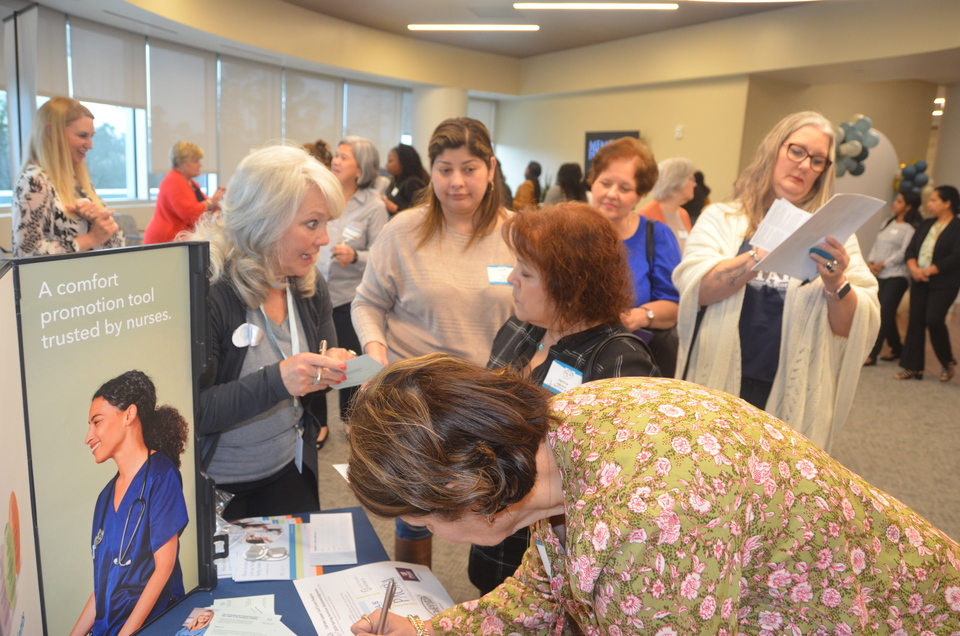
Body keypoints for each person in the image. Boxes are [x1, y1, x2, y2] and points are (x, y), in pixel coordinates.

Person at [347, 355, 960, 636]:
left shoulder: (648, 524)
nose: (424, 532)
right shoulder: (554, 438)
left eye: (421, 519)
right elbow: (547, 589)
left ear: (466, 489)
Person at [472, 201, 659, 594]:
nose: (511, 278)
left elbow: (617, 487)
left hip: (561, 555)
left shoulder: (619, 359)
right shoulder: (521, 327)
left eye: (526, 272)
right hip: (497, 524)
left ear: (570, 286)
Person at [352, 117, 515, 567]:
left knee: (495, 515)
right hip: (417, 401)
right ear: (431, 172)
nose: (456, 182)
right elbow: (367, 303)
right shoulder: (403, 230)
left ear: (491, 169)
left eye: (469, 169)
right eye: (445, 169)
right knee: (415, 515)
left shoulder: (517, 234)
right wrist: (376, 356)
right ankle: (413, 594)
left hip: (490, 402)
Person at [673, 111, 879, 452]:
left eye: (817, 160)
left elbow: (849, 328)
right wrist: (759, 254)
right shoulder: (721, 218)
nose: (804, 165)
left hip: (794, 390)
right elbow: (700, 291)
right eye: (796, 151)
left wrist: (835, 282)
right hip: (719, 379)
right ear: (774, 149)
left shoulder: (835, 235)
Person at [189, 145, 352, 520]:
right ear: (265, 221)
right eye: (312, 224)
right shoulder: (209, 293)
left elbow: (318, 371)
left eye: (326, 223)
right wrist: (279, 380)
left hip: (289, 468)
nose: (324, 239)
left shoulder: (307, 283)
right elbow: (193, 411)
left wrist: (331, 366)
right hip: (216, 486)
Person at [70, 370, 189, 636]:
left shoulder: (161, 476)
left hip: (152, 625)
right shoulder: (105, 498)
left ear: (129, 415)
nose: (88, 436)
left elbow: (164, 568)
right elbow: (105, 585)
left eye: (97, 422)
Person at [588, 137, 681, 377]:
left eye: (625, 188)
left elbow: (673, 306)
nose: (612, 194)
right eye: (605, 183)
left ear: (640, 195)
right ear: (592, 181)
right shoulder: (568, 231)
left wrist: (641, 316)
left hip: (629, 364)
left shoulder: (657, 236)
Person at [322, 136, 388, 420]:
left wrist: (355, 256)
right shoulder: (324, 195)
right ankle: (318, 426)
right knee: (316, 364)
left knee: (350, 371)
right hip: (314, 294)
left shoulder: (374, 207)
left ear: (361, 169)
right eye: (336, 155)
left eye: (343, 157)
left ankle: (350, 425)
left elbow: (381, 257)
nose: (335, 161)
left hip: (348, 298)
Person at [12, 96, 124, 256]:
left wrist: (98, 222)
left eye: (91, 136)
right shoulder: (34, 182)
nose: (90, 145)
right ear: (51, 132)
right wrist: (90, 239)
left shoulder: (79, 181)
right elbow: (26, 253)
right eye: (82, 135)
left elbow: (118, 244)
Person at [897, 185, 960, 381]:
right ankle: (913, 367)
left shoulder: (957, 227)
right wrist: (914, 268)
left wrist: (930, 270)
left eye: (934, 200)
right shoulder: (926, 224)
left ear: (947, 203)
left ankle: (947, 361)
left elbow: (956, 257)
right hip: (919, 280)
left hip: (944, 282)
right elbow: (911, 250)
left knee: (933, 319)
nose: (929, 204)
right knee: (915, 321)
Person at [864, 191, 922, 365]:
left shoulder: (910, 229)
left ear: (908, 206)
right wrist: (871, 261)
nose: (895, 203)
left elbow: (904, 252)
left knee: (883, 313)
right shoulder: (887, 222)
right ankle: (897, 349)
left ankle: (872, 353)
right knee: (884, 312)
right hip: (879, 274)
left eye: (900, 201)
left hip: (897, 276)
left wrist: (884, 263)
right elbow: (876, 244)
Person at [143, 141, 226, 244]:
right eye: (196, 161)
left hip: (177, 240)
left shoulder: (189, 182)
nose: (200, 165)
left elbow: (204, 207)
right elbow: (190, 215)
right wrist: (211, 201)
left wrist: (217, 200)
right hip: (166, 241)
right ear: (181, 164)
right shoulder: (174, 181)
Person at [639, 157, 696, 251]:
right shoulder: (646, 215)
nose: (695, 184)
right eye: (691, 179)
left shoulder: (683, 214)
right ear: (676, 181)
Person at [381, 143, 429, 217]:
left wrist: (394, 208)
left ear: (402, 162)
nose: (386, 165)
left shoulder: (412, 183)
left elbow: (420, 213)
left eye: (390, 161)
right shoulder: (396, 181)